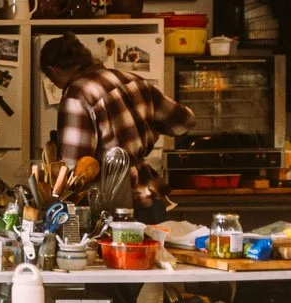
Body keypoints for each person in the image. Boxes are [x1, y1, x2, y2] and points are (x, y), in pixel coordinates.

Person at [40, 32, 193, 214]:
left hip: (113, 203)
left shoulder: (77, 95)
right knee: (155, 243)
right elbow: (185, 121)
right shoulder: (133, 79)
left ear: (54, 70)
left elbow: (75, 168)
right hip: (149, 195)